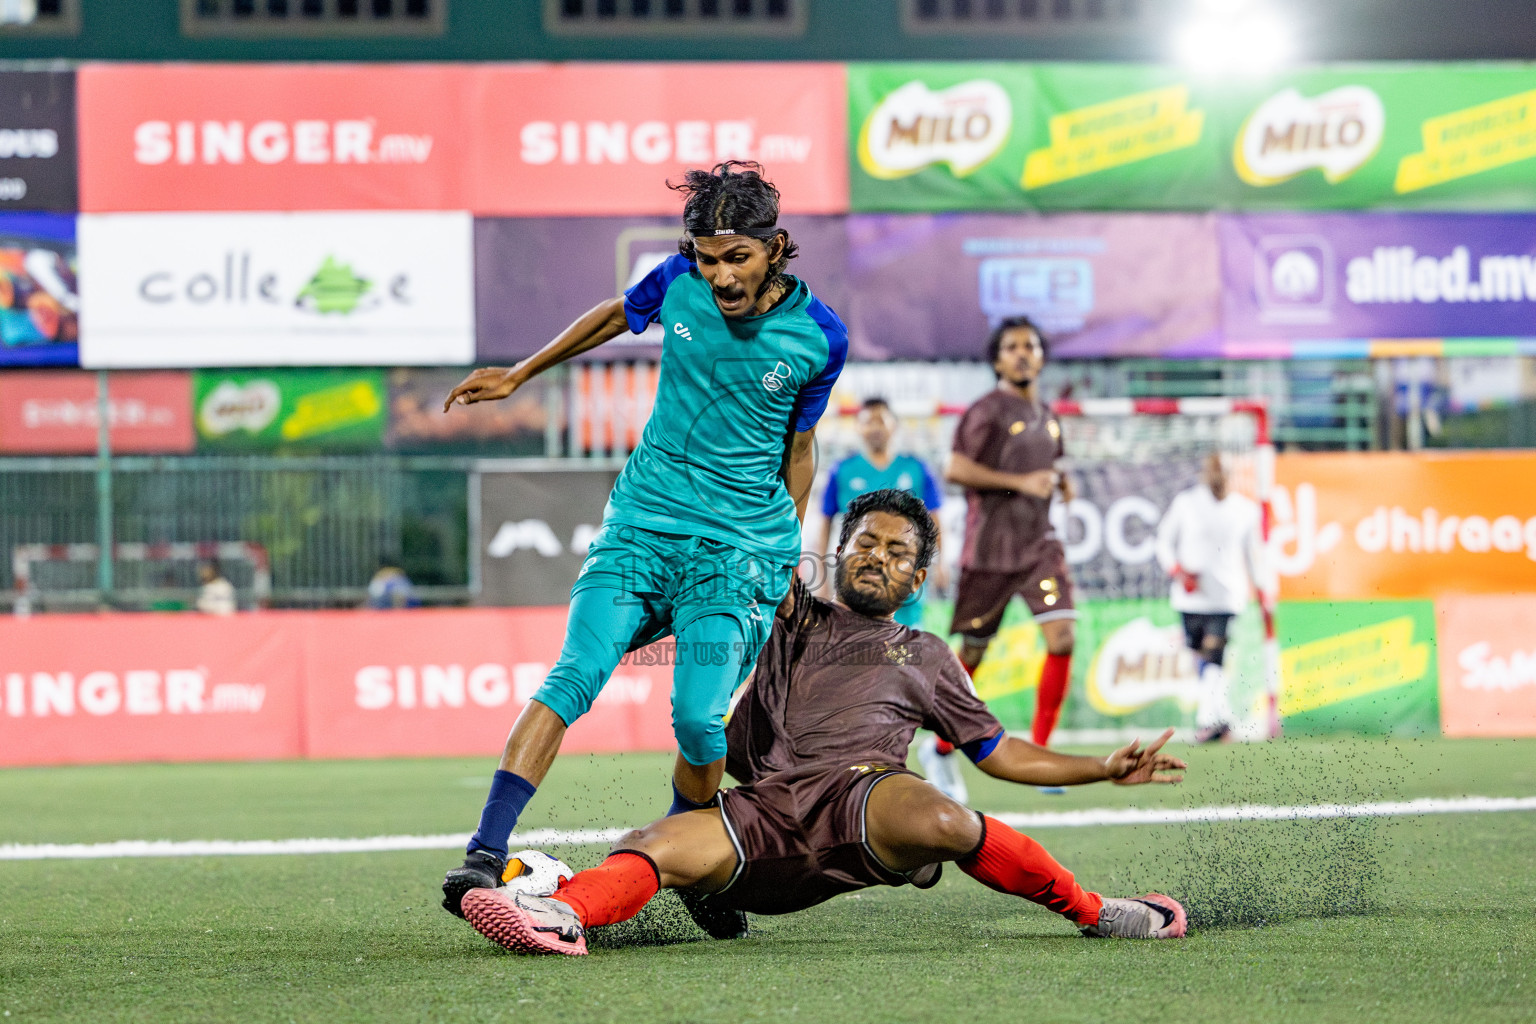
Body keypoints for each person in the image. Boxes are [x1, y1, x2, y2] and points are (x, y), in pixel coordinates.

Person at [457, 489, 1188, 957]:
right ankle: (559, 916)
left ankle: (1097, 912)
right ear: (836, 552)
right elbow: (770, 511)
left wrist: (1101, 767)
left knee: (945, 818)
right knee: (646, 844)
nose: (877, 557)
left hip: (863, 797)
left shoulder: (926, 653)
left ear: (917, 579)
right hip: (763, 810)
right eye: (865, 542)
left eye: (898, 552)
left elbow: (997, 752)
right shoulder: (796, 612)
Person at [438, 161, 848, 918]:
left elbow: (799, 446)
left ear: (776, 246)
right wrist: (521, 376)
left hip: (737, 552)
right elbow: (611, 313)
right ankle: (484, 856)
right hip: (643, 528)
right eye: (706, 257)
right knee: (575, 674)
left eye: (737, 257)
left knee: (697, 719)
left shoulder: (820, 337)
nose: (719, 275)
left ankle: (686, 860)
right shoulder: (675, 283)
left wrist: (786, 550)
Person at [943, 317, 1076, 790]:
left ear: (1041, 356)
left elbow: (1047, 466)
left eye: (1031, 346)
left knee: (1062, 637)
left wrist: (1061, 481)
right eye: (1013, 346)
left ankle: (1041, 756)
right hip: (991, 551)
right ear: (997, 359)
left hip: (1039, 547)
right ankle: (939, 748)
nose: (1023, 353)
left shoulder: (1050, 416)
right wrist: (1020, 483)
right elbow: (955, 469)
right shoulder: (986, 411)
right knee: (973, 651)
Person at [1155, 452, 1267, 743]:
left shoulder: (1245, 509)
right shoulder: (1187, 503)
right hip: (1190, 597)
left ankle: (1205, 721)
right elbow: (1164, 540)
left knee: (1214, 654)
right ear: (1206, 474)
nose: (1219, 479)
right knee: (1203, 660)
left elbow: (1252, 555)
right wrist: (1177, 570)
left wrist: (1261, 588)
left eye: (1225, 473)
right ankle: (1222, 719)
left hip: (1227, 597)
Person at [811, 397, 947, 628]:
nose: (875, 428)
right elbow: (824, 523)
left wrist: (941, 562)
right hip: (859, 570)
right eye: (868, 422)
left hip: (903, 570)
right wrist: (821, 574)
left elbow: (934, 520)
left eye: (881, 421)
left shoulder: (916, 468)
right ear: (858, 427)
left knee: (906, 640)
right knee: (855, 635)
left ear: (894, 425)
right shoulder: (842, 471)